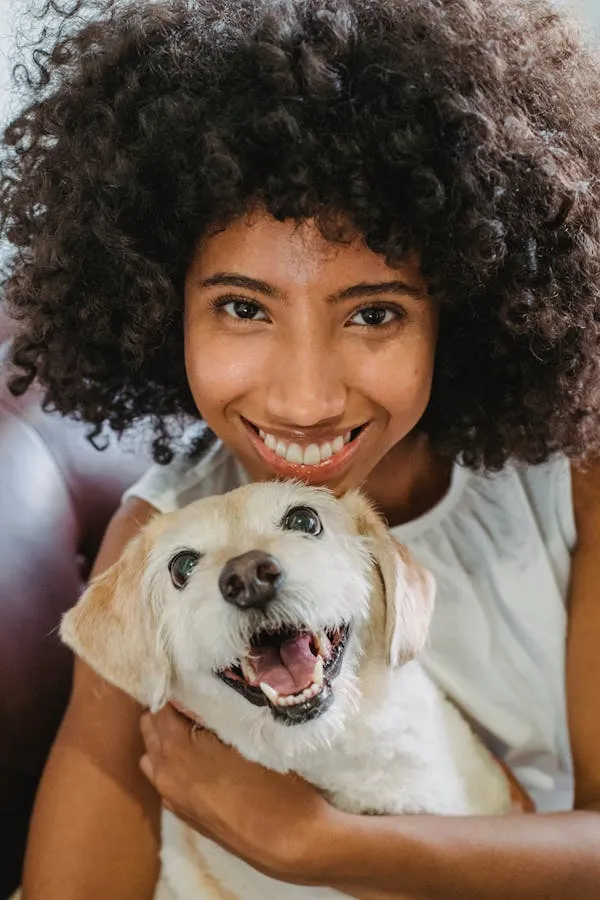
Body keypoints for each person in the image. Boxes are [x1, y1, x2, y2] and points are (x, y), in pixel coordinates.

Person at [2, 0, 600, 897]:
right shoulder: (157, 546)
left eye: (374, 313)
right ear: (161, 306)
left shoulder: (574, 477)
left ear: (463, 308)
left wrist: (318, 844)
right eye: (243, 308)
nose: (306, 398)